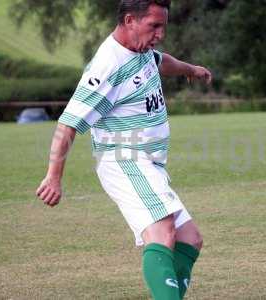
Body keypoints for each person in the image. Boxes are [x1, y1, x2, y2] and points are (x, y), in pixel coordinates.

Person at [36, 1, 212, 299]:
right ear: (130, 20)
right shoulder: (108, 65)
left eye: (163, 26)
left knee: (189, 240)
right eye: (154, 26)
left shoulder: (141, 52)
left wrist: (190, 69)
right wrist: (53, 177)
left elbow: (160, 61)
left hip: (150, 163)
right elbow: (68, 124)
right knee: (163, 232)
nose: (160, 34)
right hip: (125, 158)